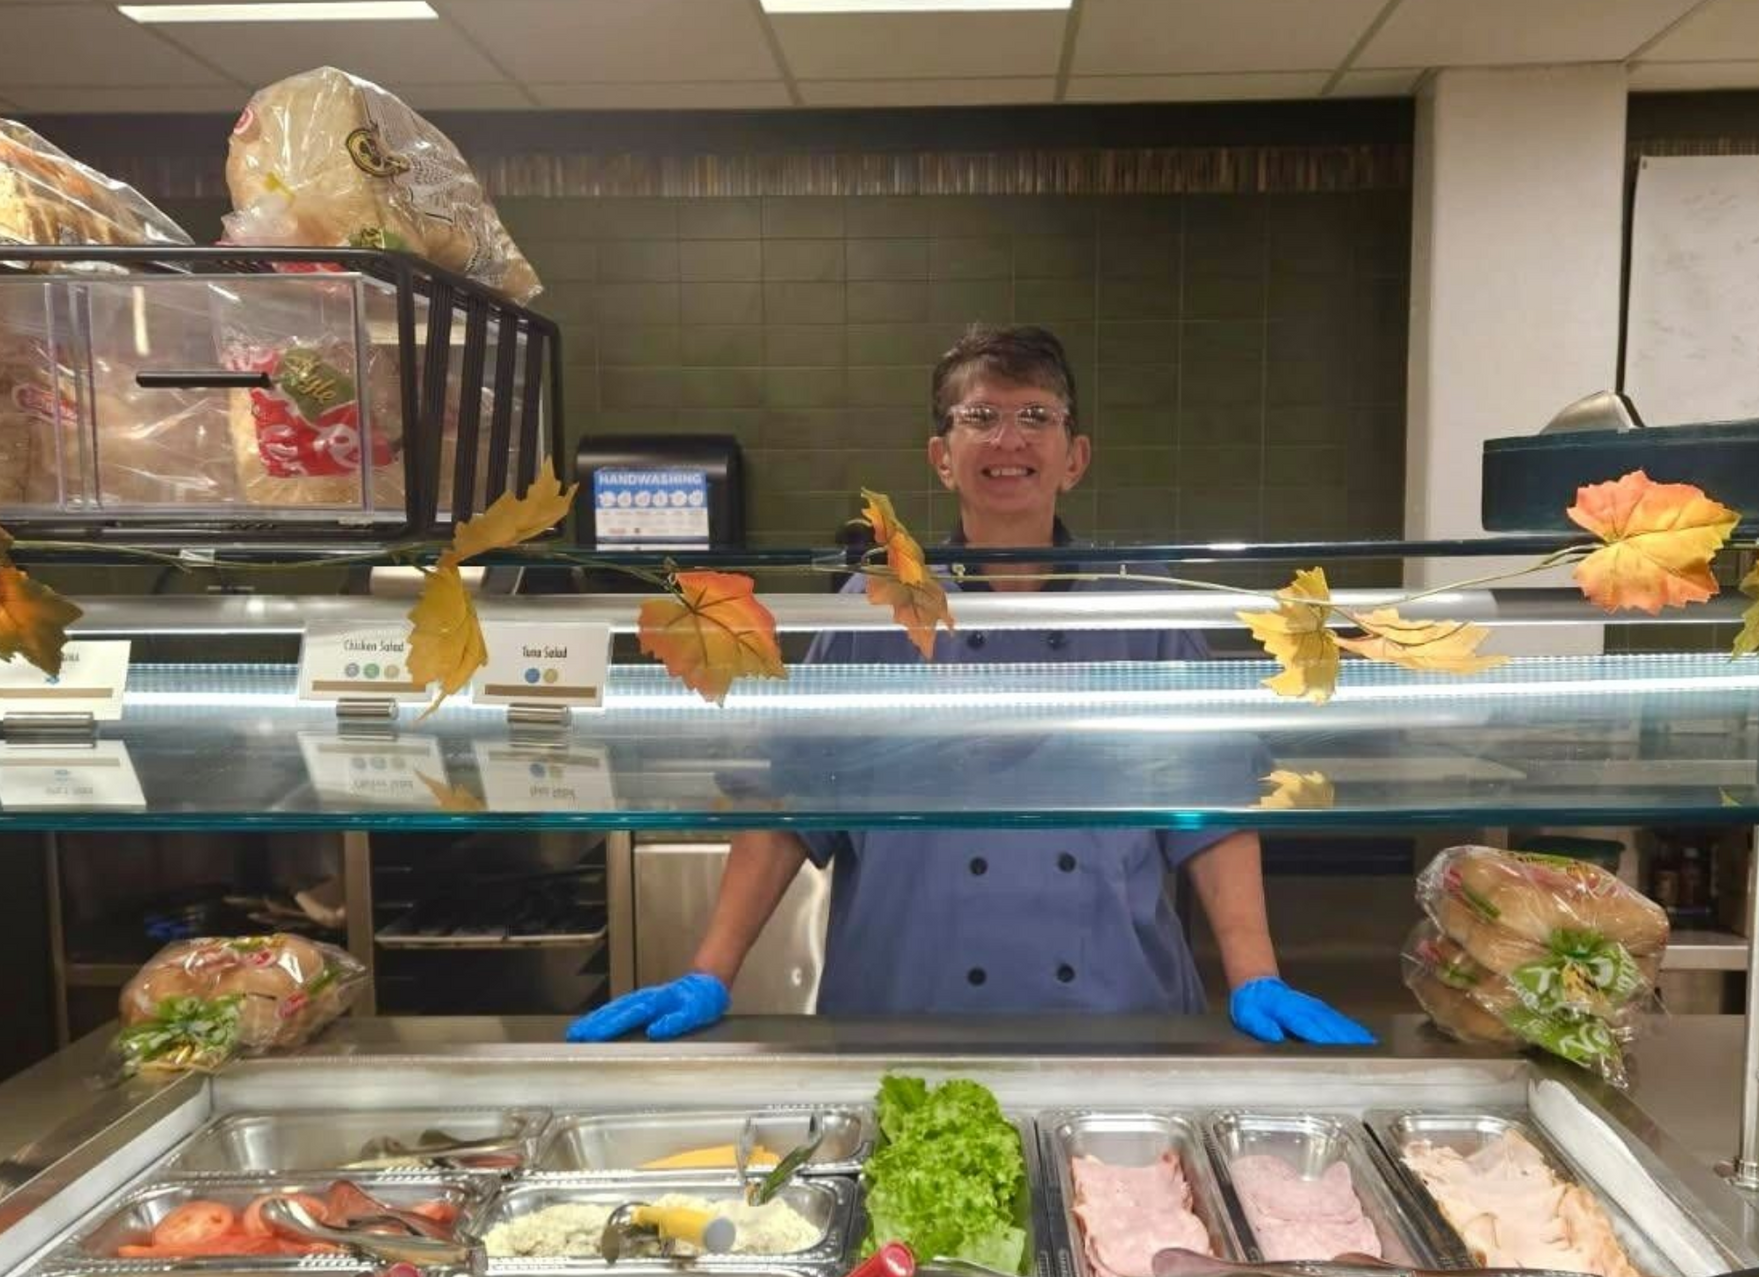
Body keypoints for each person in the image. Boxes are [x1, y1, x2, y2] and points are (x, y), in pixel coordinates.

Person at [569, 325, 1373, 1047]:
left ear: (1075, 455)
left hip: (1116, 1021)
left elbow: (1216, 806)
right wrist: (711, 970)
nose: (1008, 438)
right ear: (942, 457)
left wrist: (1254, 972)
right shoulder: (876, 609)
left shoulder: (1145, 612)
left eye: (1035, 416)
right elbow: (789, 801)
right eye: (979, 417)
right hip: (901, 1018)